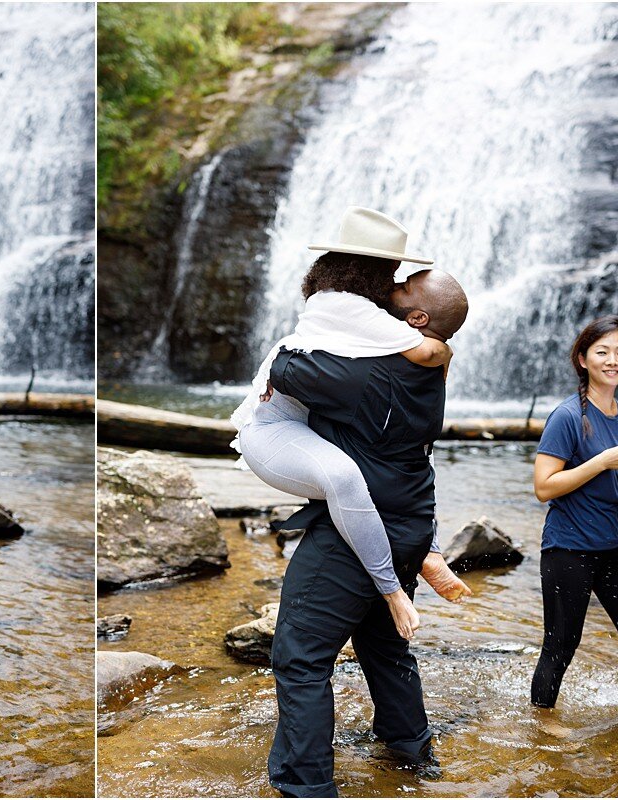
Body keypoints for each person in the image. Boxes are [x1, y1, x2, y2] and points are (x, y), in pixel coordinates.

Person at [265, 256, 470, 798]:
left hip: (355, 534)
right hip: (406, 528)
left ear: (419, 320)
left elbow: (283, 367)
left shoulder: (366, 371)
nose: (389, 289)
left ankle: (306, 785)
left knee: (301, 658)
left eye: (402, 289)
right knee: (384, 644)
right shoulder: (429, 370)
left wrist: (332, 318)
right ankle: (409, 750)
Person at [232, 206, 471, 646]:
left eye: (403, 280)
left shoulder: (352, 306)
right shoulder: (351, 309)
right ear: (371, 272)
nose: (396, 282)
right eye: (394, 274)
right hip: (272, 429)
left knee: (398, 459)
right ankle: (394, 589)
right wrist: (444, 352)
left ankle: (428, 553)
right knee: (351, 475)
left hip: (311, 420)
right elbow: (427, 351)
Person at [529, 315, 618, 711]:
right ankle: (541, 725)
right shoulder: (568, 416)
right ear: (583, 359)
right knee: (561, 644)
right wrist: (600, 462)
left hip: (615, 548)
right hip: (568, 547)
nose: (613, 360)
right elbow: (543, 487)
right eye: (602, 352)